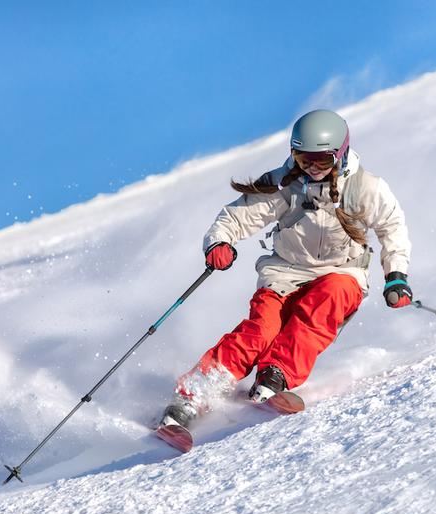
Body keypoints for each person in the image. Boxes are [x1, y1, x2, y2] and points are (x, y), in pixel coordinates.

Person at [160, 109, 413, 429]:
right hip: (285, 273)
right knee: (260, 330)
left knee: (324, 304)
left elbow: (393, 229)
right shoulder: (286, 182)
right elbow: (236, 217)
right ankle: (191, 397)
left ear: (341, 153)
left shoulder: (366, 188)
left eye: (322, 161)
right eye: (303, 159)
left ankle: (274, 376)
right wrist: (219, 243)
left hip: (342, 272)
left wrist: (396, 276)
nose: (312, 168)